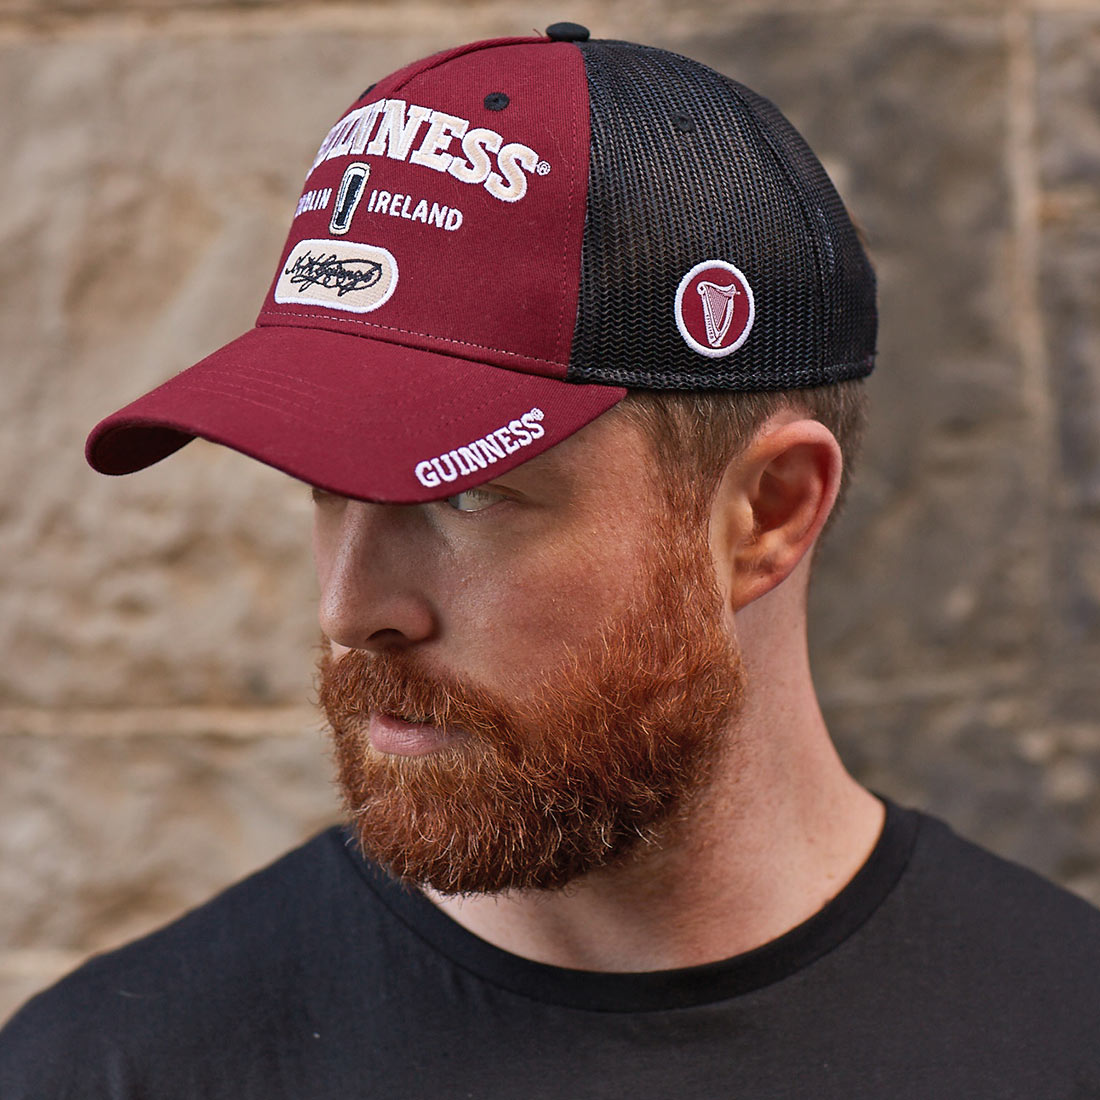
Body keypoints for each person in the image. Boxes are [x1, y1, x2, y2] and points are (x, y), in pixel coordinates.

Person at [2, 23, 1098, 1098]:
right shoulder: (109, 1065)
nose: (350, 607)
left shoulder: (1059, 1036)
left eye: (464, 491)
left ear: (764, 513)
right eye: (325, 483)